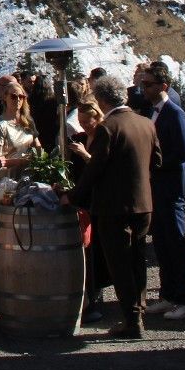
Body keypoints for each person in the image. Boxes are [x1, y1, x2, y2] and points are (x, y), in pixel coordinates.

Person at [71, 75, 162, 339]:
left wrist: (74, 196)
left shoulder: (108, 128)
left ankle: (132, 320)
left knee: (120, 264)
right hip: (143, 204)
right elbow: (157, 162)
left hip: (114, 208)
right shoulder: (146, 123)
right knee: (137, 259)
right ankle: (139, 310)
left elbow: (94, 170)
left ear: (101, 99)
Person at [136, 62, 185, 320]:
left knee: (175, 244)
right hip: (155, 187)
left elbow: (181, 152)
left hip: (170, 188)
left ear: (162, 86)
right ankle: (168, 295)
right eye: (142, 84)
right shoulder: (152, 112)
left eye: (148, 85)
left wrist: (154, 163)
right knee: (161, 244)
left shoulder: (174, 113)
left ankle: (183, 299)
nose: (143, 89)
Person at [67, 100, 111, 323]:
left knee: (99, 247)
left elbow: (103, 166)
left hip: (101, 196)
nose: (84, 126)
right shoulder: (83, 138)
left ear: (98, 118)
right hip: (87, 197)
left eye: (88, 121)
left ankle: (98, 294)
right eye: (81, 122)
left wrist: (85, 154)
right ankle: (92, 294)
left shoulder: (104, 136)